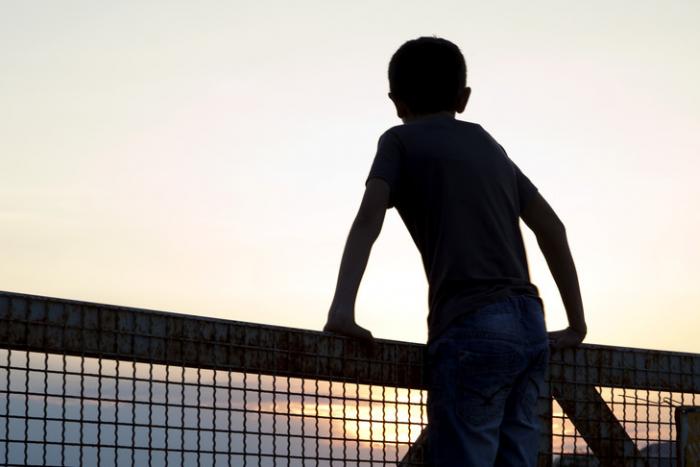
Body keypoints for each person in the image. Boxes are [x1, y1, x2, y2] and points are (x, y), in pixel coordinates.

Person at [323, 36, 587, 466]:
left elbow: (368, 219)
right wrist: (576, 324)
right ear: (463, 98)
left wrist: (341, 309)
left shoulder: (398, 142)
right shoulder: (490, 147)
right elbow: (553, 229)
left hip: (471, 321)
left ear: (396, 101)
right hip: (529, 324)